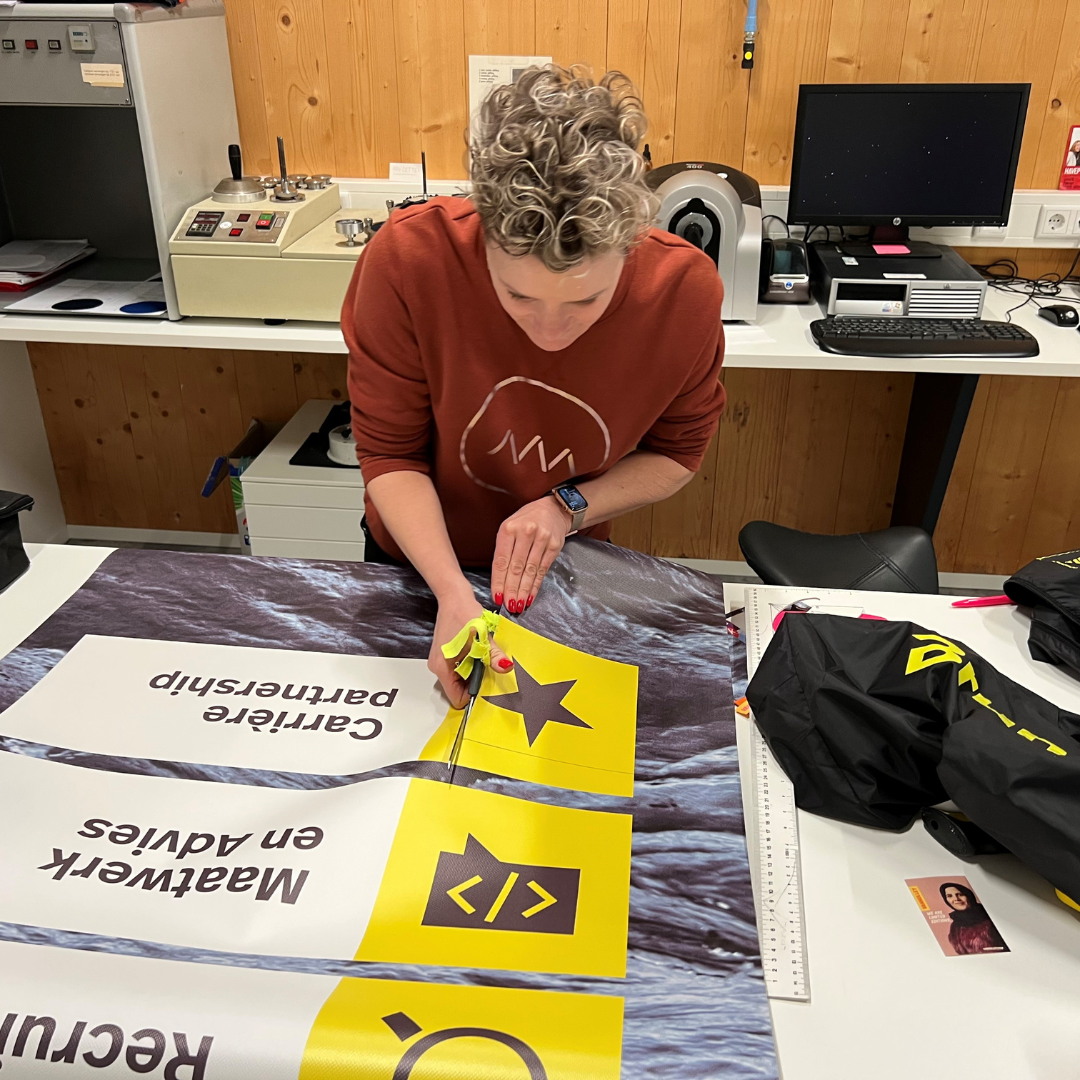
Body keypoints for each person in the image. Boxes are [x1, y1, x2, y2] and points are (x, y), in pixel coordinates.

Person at [343, 65, 726, 706]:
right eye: (518, 295)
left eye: (586, 300)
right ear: (482, 232)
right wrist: (450, 594)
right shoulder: (408, 260)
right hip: (414, 563)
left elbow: (678, 456)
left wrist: (566, 507)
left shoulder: (683, 291)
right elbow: (390, 454)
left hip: (564, 565)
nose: (551, 331)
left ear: (632, 246)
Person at [939, 881, 1008, 955]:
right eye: (949, 896)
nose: (956, 899)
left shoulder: (989, 918)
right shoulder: (955, 926)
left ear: (969, 896)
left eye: (960, 894)